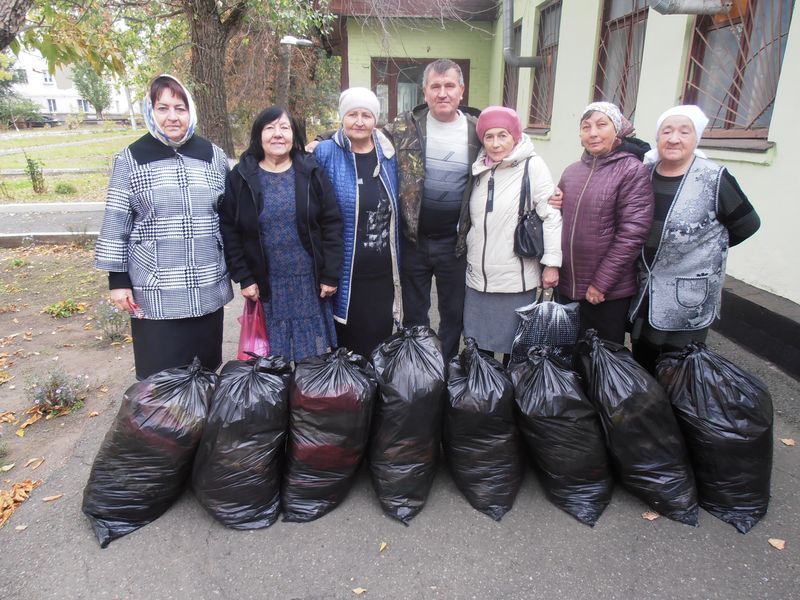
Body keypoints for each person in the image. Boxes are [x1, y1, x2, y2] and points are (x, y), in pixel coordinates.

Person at [95, 74, 233, 380]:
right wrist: (117, 280)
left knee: (205, 375)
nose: (172, 116)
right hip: (154, 287)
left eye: (180, 108)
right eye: (163, 108)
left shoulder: (213, 156)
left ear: (190, 112)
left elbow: (229, 217)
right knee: (161, 380)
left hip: (206, 283)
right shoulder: (130, 159)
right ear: (150, 111)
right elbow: (116, 221)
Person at [629, 105, 760, 373]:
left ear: (696, 137)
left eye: (684, 132)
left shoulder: (714, 178)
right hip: (647, 290)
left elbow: (747, 224)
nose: (674, 139)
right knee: (644, 364)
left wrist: (705, 250)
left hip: (687, 296)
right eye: (667, 131)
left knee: (681, 373)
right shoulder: (645, 174)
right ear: (657, 137)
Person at [219, 106, 343, 363]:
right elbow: (230, 229)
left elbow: (331, 223)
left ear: (294, 135)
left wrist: (330, 274)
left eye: (284, 128)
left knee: (312, 363)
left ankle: (307, 391)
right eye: (270, 128)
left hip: (309, 283)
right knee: (272, 365)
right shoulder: (241, 176)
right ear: (258, 135)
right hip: (267, 285)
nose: (278, 134)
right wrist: (244, 277)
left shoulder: (311, 172)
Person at [382, 59, 482, 361]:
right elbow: (364, 135)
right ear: (424, 91)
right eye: (435, 86)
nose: (442, 93)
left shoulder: (479, 130)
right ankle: (421, 368)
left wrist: (549, 193)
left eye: (449, 85)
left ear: (461, 90)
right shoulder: (405, 126)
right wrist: (319, 142)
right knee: (415, 314)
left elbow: (513, 144)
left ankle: (447, 364)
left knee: (453, 313)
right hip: (414, 241)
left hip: (456, 243)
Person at [463, 106, 562, 363]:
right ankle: (482, 389)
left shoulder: (532, 165)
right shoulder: (478, 168)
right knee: (478, 349)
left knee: (514, 351)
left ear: (515, 136)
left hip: (515, 280)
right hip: (477, 279)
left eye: (502, 135)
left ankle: (510, 390)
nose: (495, 144)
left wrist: (551, 264)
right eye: (489, 136)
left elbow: (551, 215)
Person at [313, 88, 402, 357]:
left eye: (366, 115)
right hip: (344, 273)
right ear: (342, 117)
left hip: (382, 273)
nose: (360, 121)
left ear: (375, 119)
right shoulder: (325, 153)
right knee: (346, 347)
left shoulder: (389, 155)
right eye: (353, 114)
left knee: (379, 345)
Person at [557, 101, 654, 344]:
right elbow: (557, 221)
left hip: (606, 293)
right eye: (586, 127)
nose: (593, 133)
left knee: (603, 358)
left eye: (601, 125)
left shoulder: (631, 170)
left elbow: (632, 234)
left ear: (617, 130)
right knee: (569, 356)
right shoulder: (571, 172)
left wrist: (601, 284)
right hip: (567, 286)